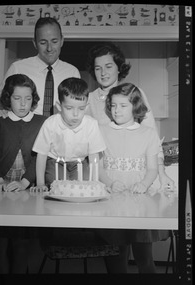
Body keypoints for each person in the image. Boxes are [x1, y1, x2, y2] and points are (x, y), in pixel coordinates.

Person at [98, 82, 170, 273]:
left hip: (140, 203)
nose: (116, 110)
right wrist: (110, 183)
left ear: (135, 106)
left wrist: (144, 184)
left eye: (123, 106)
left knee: (144, 257)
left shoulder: (148, 133)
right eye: (113, 105)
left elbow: (153, 169)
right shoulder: (101, 131)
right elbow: (97, 168)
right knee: (116, 256)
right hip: (112, 202)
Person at [85, 42, 175, 192]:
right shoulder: (88, 100)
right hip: (105, 181)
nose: (103, 73)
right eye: (97, 68)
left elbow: (151, 137)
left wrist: (162, 173)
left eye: (108, 66)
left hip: (136, 181)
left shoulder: (134, 93)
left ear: (119, 68)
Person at [0, 74, 46, 273]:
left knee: (21, 245)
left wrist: (26, 182)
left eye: (28, 98)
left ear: (33, 99)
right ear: (8, 98)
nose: (23, 104)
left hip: (25, 193)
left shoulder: (41, 122)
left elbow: (41, 156)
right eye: (17, 98)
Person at [0, 16, 80, 117]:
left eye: (54, 41)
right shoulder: (18, 68)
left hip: (60, 131)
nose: (49, 48)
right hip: (25, 130)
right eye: (43, 43)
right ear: (35, 43)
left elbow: (78, 107)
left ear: (62, 40)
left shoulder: (72, 72)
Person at [31, 77, 106, 190]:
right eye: (69, 108)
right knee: (58, 187)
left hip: (80, 162)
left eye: (81, 109)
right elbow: (41, 154)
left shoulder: (91, 124)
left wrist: (94, 183)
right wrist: (40, 184)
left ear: (87, 106)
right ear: (59, 106)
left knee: (81, 188)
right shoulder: (50, 123)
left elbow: (94, 157)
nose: (75, 114)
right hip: (56, 162)